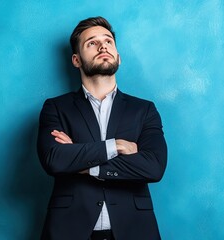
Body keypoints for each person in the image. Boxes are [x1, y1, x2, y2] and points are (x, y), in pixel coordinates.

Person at [37, 16, 167, 240]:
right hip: (69, 230)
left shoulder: (144, 110)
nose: (102, 46)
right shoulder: (56, 107)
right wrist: (115, 146)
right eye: (92, 43)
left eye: (108, 41)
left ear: (118, 57)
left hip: (134, 230)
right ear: (76, 60)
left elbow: (153, 167)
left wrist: (82, 162)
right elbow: (55, 160)